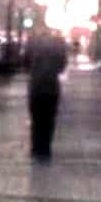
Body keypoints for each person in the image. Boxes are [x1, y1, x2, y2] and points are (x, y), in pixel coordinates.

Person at [26, 24, 70, 160]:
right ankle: (45, 148)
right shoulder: (58, 46)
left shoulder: (32, 44)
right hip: (51, 86)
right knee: (49, 119)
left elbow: (25, 62)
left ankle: (36, 147)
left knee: (36, 118)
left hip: (36, 86)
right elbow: (62, 66)